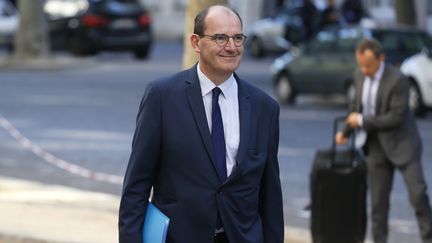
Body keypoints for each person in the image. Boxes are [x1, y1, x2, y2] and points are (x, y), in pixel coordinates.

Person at [118, 5, 284, 243]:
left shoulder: (264, 107)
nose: (231, 46)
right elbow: (136, 186)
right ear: (196, 43)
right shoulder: (162, 97)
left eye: (237, 38)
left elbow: (270, 197)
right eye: (220, 38)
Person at [335, 39, 432, 243]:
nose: (364, 69)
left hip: (404, 145)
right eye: (360, 64)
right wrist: (345, 131)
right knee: (378, 204)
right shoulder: (359, 76)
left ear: (381, 58)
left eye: (368, 65)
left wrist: (361, 121)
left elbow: (395, 117)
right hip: (376, 146)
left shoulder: (399, 80)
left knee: (418, 195)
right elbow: (355, 106)